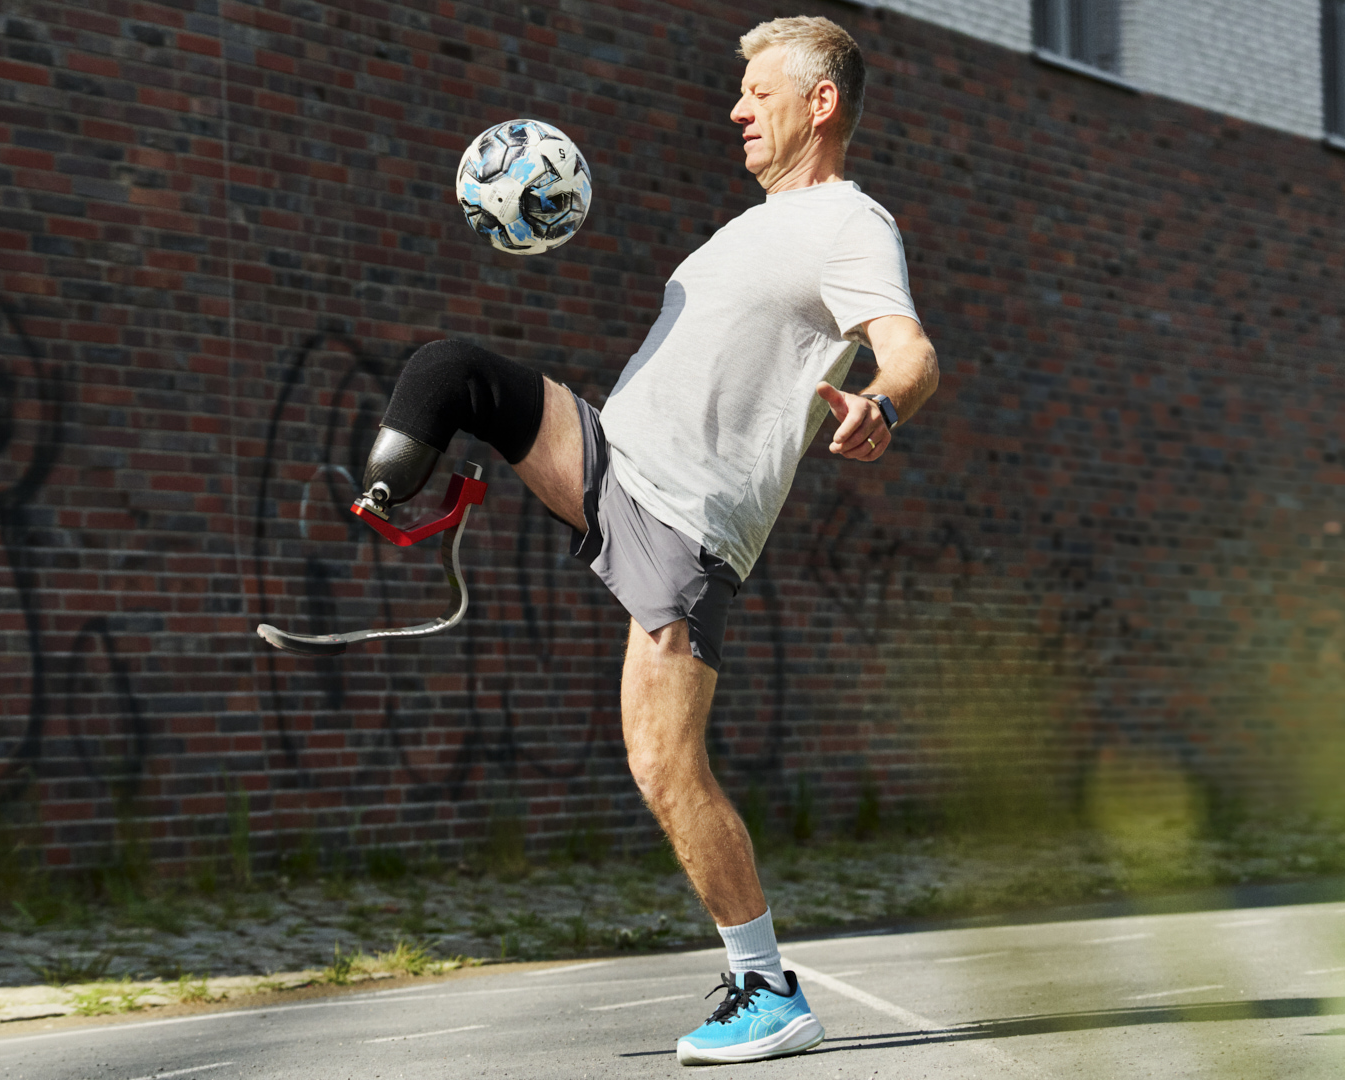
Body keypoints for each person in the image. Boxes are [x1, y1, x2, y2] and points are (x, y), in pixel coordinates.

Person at [355, 15, 938, 1065]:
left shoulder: (850, 224)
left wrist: (881, 404)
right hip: (610, 455)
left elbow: (911, 351)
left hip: (685, 516)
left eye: (760, 93)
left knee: (663, 763)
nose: (737, 110)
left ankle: (767, 987)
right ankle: (386, 499)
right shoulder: (750, 227)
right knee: (450, 372)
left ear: (822, 103)